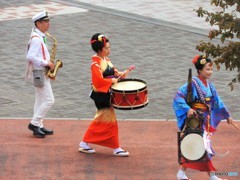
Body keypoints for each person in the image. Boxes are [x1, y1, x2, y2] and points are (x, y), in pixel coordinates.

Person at [173, 55, 233, 180]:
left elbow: (217, 102)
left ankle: (181, 172)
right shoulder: (192, 84)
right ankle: (213, 176)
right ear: (200, 70)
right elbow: (178, 97)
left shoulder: (210, 86)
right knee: (203, 147)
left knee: (198, 147)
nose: (210, 72)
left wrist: (227, 115)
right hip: (195, 121)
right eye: (207, 69)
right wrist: (188, 109)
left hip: (206, 120)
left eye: (211, 70)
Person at [79, 33, 131, 157]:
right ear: (99, 49)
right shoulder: (95, 65)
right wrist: (111, 81)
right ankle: (112, 147)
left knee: (105, 119)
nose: (109, 50)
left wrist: (121, 74)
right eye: (106, 48)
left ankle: (89, 143)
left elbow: (114, 72)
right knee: (103, 119)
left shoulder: (106, 60)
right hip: (101, 95)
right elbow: (98, 82)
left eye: (109, 48)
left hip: (106, 94)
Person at [25, 11, 55, 138]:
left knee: (39, 99)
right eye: (46, 22)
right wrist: (46, 62)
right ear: (38, 23)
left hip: (40, 72)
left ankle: (39, 125)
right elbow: (30, 56)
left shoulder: (40, 35)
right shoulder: (36, 39)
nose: (48, 24)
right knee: (49, 100)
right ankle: (34, 123)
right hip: (39, 72)